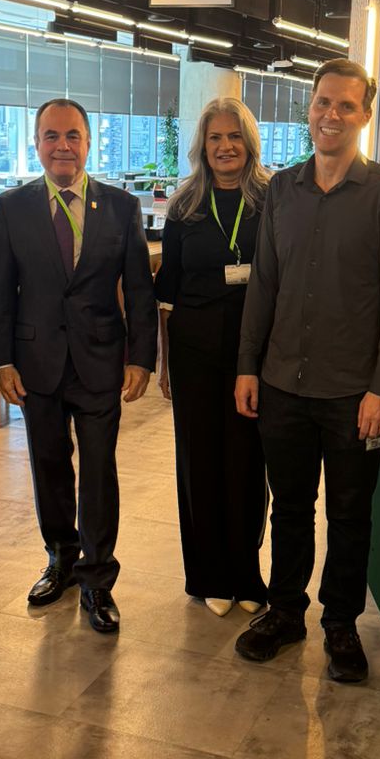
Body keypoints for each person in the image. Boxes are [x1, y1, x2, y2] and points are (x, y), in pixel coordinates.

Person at [234, 58, 380, 683]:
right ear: (307, 109)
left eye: (345, 105)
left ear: (365, 115)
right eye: (321, 103)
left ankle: (340, 623)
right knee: (288, 506)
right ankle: (284, 612)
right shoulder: (282, 191)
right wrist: (248, 366)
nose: (331, 115)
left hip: (352, 395)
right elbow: (264, 283)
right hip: (283, 383)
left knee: (349, 514)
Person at [0, 98, 157, 634]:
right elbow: (1, 292)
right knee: (49, 466)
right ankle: (61, 557)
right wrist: (1, 359)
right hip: (36, 361)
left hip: (101, 360)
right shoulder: (12, 207)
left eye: (73, 136)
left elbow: (139, 288)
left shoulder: (121, 207)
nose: (62, 146)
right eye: (51, 136)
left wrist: (142, 358)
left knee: (99, 473)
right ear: (36, 144)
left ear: (88, 142)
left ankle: (97, 580)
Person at [155, 98, 270, 616]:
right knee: (199, 461)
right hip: (195, 348)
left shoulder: (273, 201)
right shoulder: (184, 207)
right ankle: (208, 576)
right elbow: (169, 289)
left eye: (234, 136)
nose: (225, 147)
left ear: (249, 142)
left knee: (248, 462)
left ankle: (247, 574)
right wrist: (162, 360)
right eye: (215, 138)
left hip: (255, 352)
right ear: (202, 146)